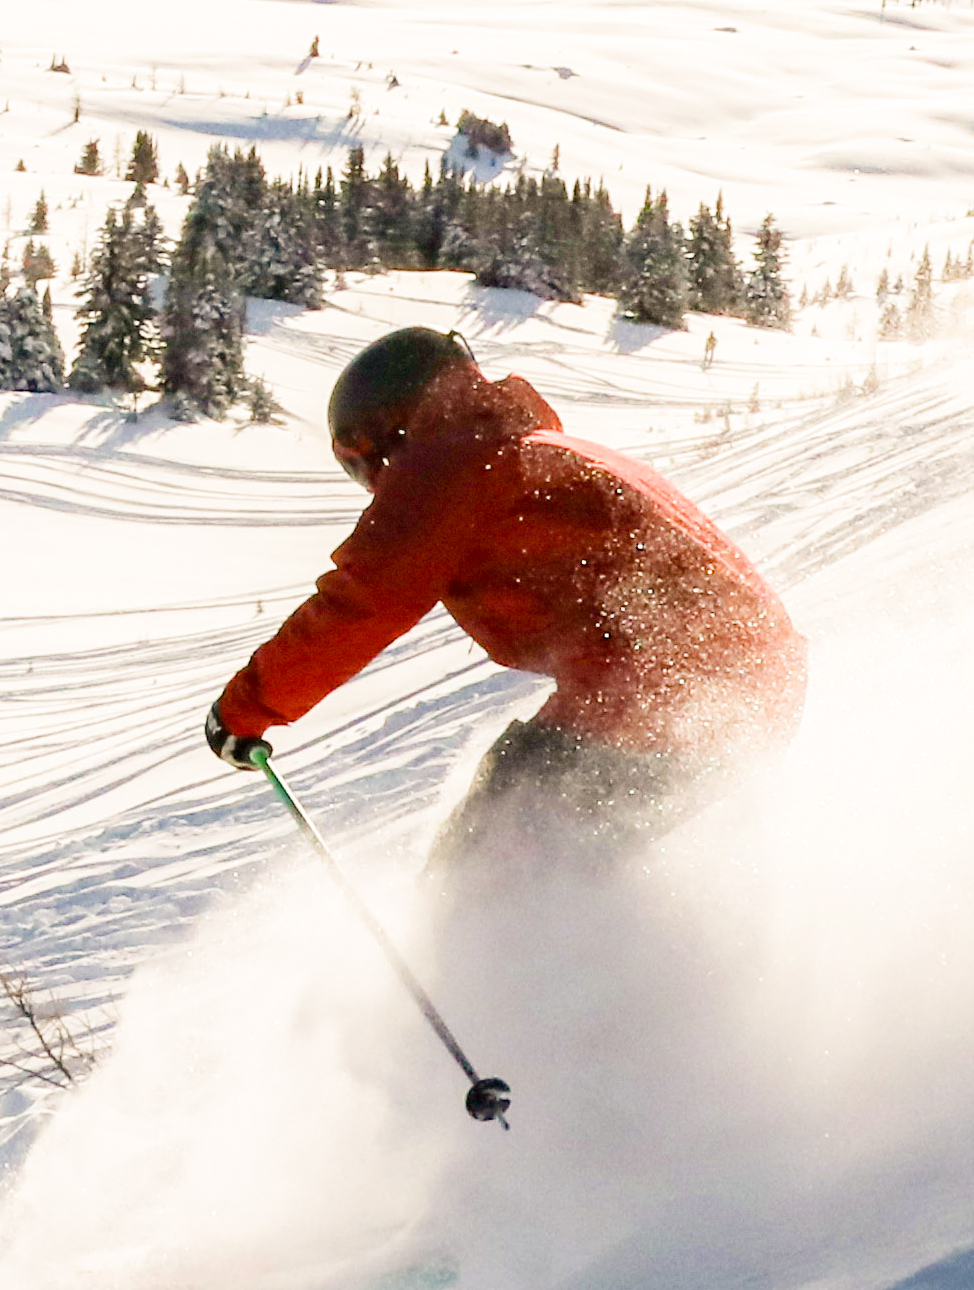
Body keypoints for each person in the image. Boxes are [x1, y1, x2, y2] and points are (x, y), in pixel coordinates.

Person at [207, 324, 801, 878]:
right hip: (739, 688)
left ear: (386, 429)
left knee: (496, 843)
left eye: (360, 460)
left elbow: (369, 600)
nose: (373, 484)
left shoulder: (451, 459)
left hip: (671, 692)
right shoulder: (523, 446)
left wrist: (246, 709)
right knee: (545, 832)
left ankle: (477, 946)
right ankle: (593, 949)